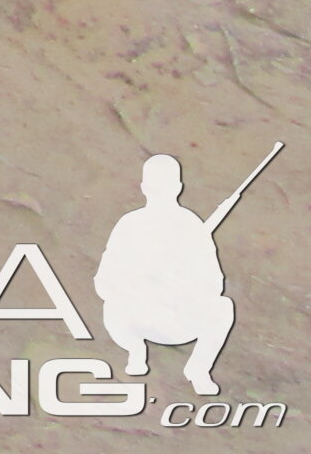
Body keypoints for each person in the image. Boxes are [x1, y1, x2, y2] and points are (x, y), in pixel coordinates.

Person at [96, 150, 248, 396]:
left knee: (222, 307)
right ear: (144, 187)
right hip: (136, 318)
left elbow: (214, 284)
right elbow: (104, 281)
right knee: (111, 307)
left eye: (163, 186)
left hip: (179, 319)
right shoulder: (129, 225)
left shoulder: (191, 226)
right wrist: (139, 286)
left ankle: (198, 369)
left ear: (178, 187)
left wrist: (182, 286)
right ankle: (135, 351)